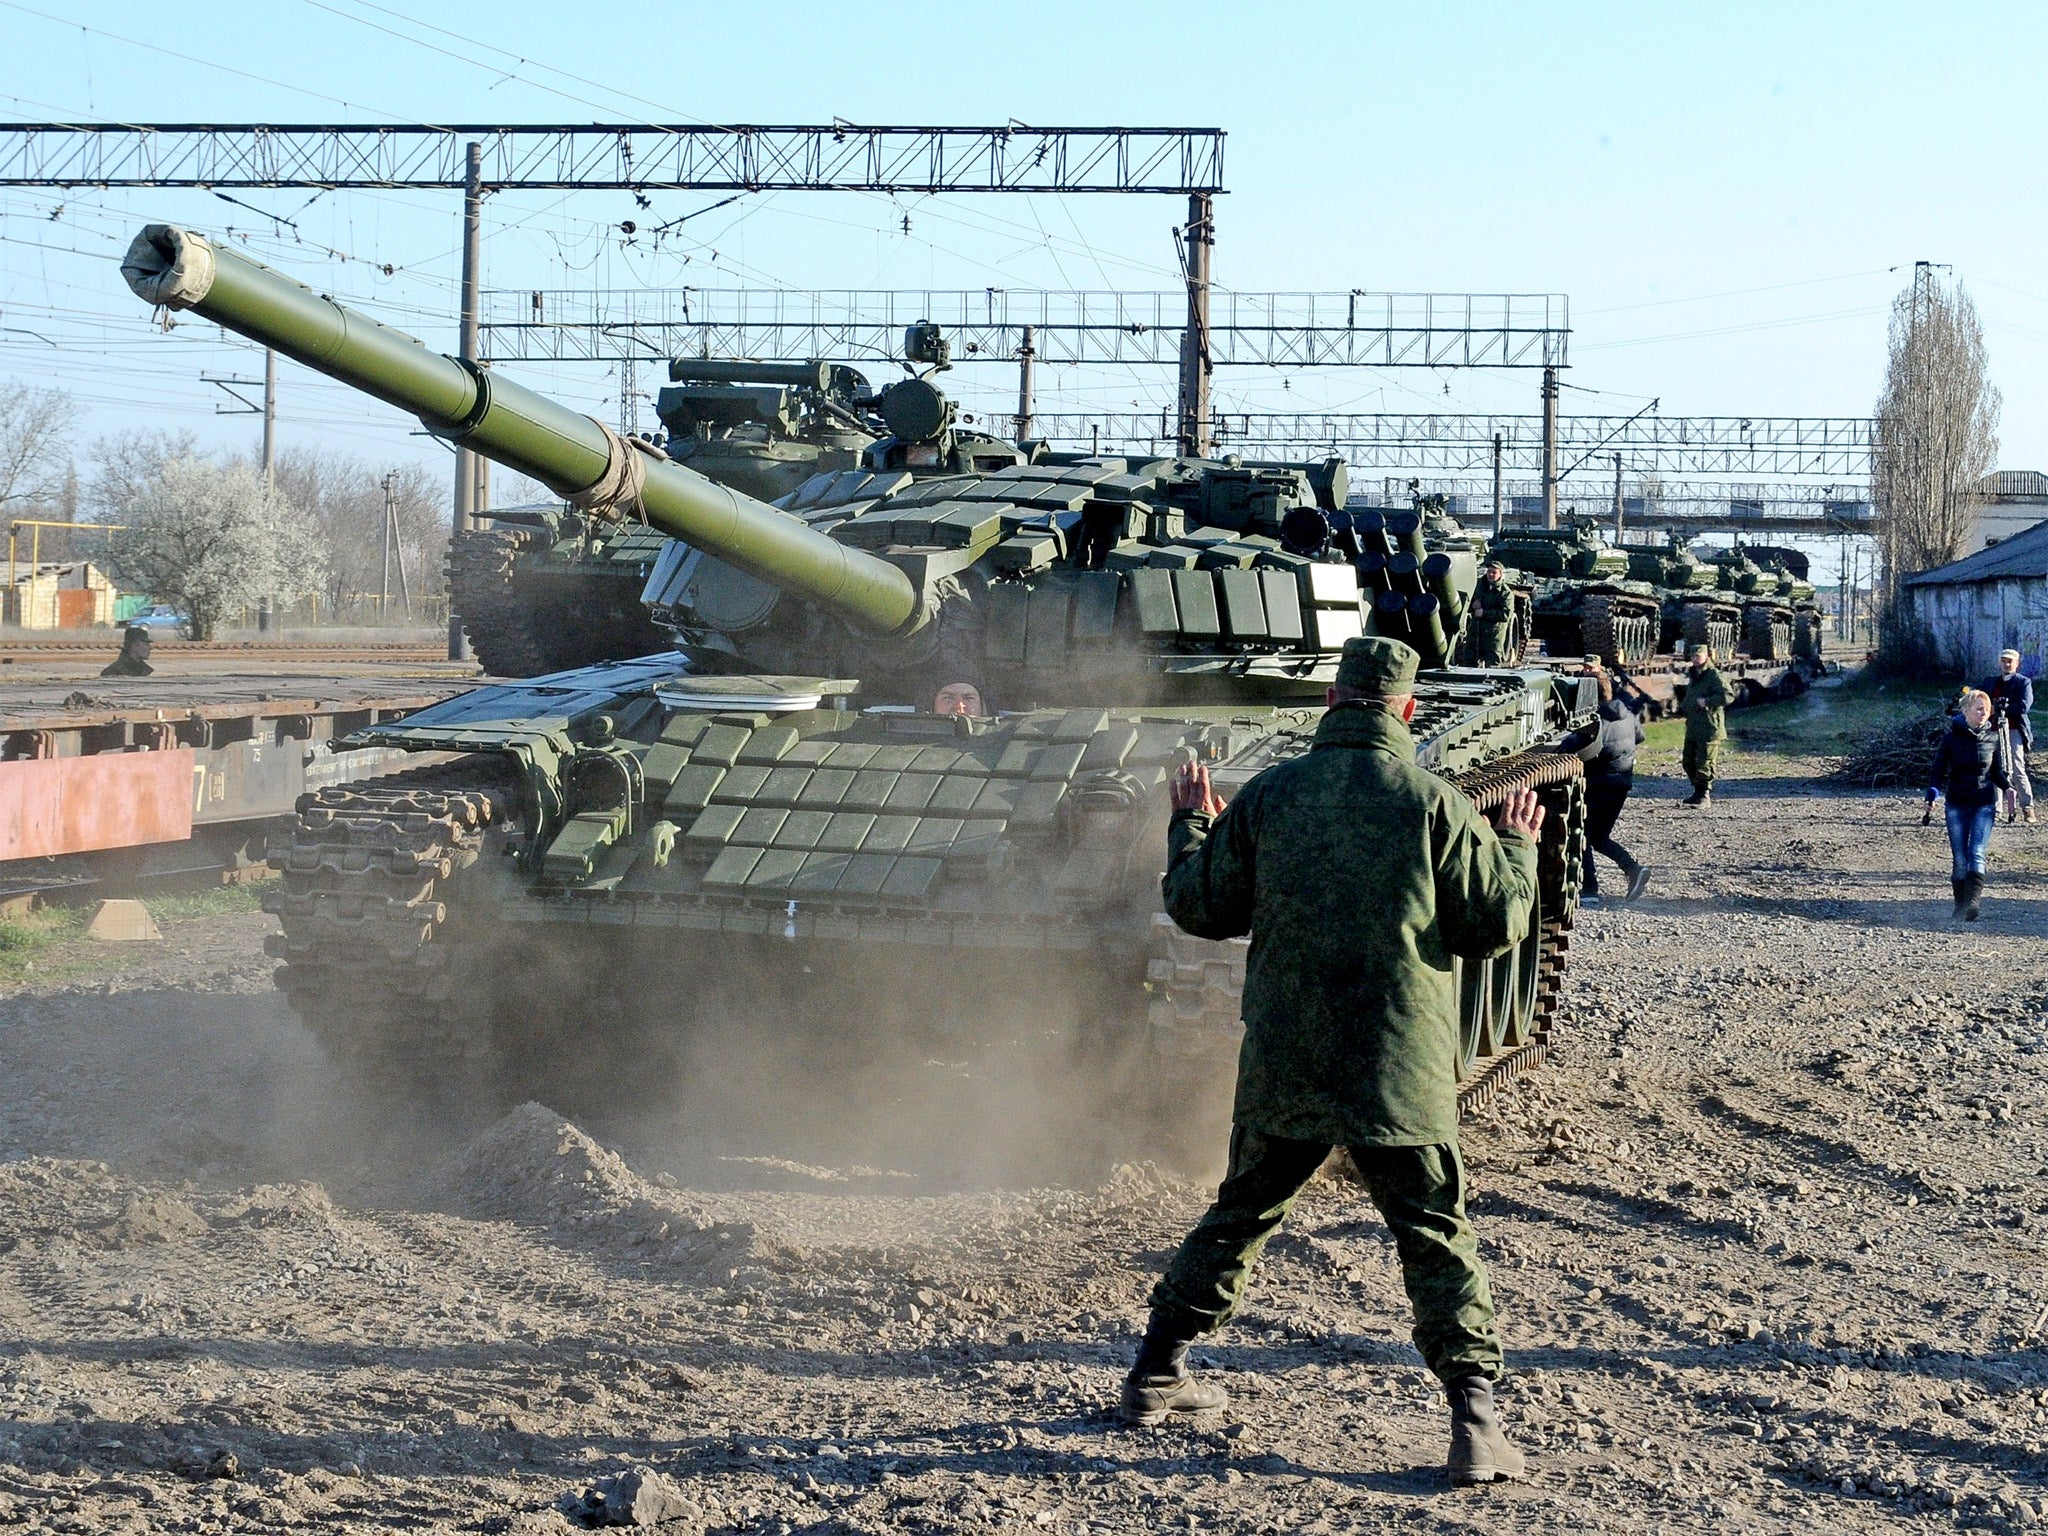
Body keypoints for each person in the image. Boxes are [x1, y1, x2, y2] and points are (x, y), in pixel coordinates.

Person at [1122, 634, 1545, 1486]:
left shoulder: (1272, 796)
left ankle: (1154, 1374)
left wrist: (1191, 823)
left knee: (1240, 1214)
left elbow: (1200, 909)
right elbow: (1493, 926)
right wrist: (1515, 849)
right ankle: (1476, 1426)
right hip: (1399, 1066)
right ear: (1409, 710)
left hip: (1289, 1058)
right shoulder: (1434, 803)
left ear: (1329, 705)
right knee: (1432, 1232)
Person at [1558, 667, 1649, 906]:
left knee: (1583, 836)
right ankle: (1633, 870)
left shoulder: (1595, 721)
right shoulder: (1627, 713)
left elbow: (1573, 748)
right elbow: (1639, 737)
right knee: (1599, 836)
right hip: (1621, 784)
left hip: (1598, 783)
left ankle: (1589, 888)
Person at [1927, 688, 2010, 921]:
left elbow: (1997, 772)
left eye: (1987, 710)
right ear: (1965, 711)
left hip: (1983, 803)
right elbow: (1938, 770)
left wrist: (2009, 788)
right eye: (1979, 709)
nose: (1984, 713)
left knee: (1977, 852)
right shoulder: (1951, 739)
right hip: (1956, 804)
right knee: (1960, 858)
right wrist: (1932, 793)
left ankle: (1972, 903)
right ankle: (1960, 904)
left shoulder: (1993, 738)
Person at [1980, 649, 2035, 826]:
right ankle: (1996, 810)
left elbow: (2024, 706)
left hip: (2013, 730)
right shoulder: (1990, 682)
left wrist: (2000, 709)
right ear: (1999, 663)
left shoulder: (2023, 682)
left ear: (2017, 663)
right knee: (1994, 769)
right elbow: (1977, 697)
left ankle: (2027, 808)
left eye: (2010, 661)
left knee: (2017, 768)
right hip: (1992, 730)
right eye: (2003, 661)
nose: (2006, 664)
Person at [1680, 645, 1729, 807]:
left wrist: (1707, 702)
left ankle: (1704, 795)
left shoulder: (1713, 675)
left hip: (1709, 727)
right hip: (1694, 726)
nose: (1695, 659)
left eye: (1698, 656)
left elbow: (1728, 695)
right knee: (1687, 761)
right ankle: (1697, 791)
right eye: (1693, 656)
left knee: (1704, 763)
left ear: (1706, 656)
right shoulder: (1695, 675)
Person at [1470, 560, 1516, 667]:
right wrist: (1472, 606)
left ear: (1500, 574)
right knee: (1469, 664)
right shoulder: (1479, 587)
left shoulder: (1505, 593)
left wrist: (1484, 613)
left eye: (1494, 572)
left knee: (1493, 666)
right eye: (1489, 571)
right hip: (1475, 634)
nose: (1490, 574)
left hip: (1493, 636)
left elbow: (1505, 615)